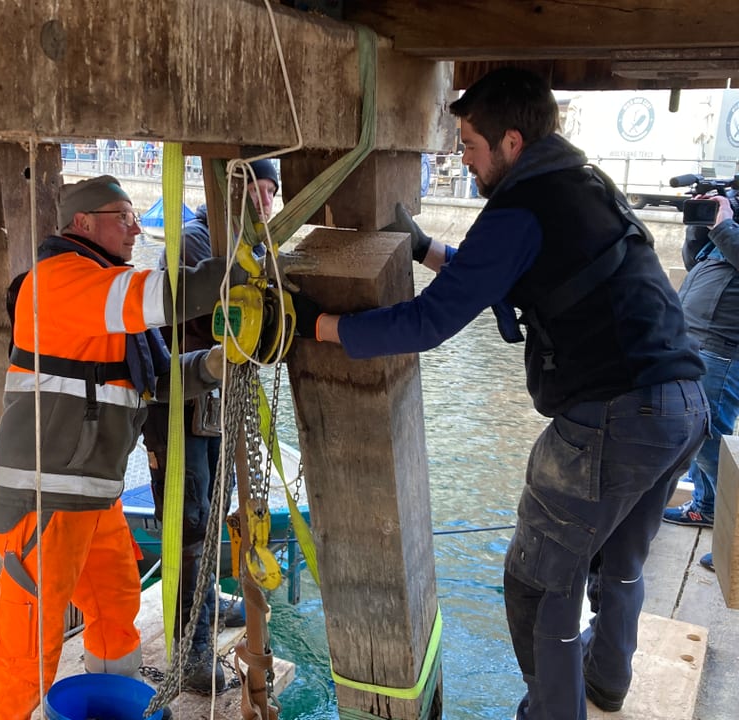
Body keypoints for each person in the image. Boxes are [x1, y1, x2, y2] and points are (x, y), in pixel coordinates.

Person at [292, 67, 709, 719]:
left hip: (614, 417)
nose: (464, 157)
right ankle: (605, 682)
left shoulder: (520, 206)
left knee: (539, 583)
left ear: (511, 143)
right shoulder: (581, 185)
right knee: (619, 562)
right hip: (681, 407)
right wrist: (426, 247)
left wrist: (316, 325)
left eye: (469, 146)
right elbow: (501, 276)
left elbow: (430, 322)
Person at [0, 175, 239, 720]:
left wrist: (212, 365)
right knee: (25, 653)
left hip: (94, 498)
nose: (136, 227)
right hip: (43, 503)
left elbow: (159, 380)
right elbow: (159, 294)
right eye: (123, 216)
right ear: (82, 224)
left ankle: (112, 702)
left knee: (117, 606)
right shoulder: (58, 281)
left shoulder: (111, 299)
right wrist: (236, 275)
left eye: (135, 216)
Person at [140, 158, 280, 693]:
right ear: (234, 191)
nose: (266, 204)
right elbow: (224, 308)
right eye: (259, 191)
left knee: (213, 507)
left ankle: (207, 605)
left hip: (214, 402)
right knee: (189, 523)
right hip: (177, 404)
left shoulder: (249, 249)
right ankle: (192, 650)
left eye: (272, 194)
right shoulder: (195, 242)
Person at [662, 193, 739, 572]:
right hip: (695, 344)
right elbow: (695, 263)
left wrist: (724, 226)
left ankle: (736, 542)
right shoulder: (728, 232)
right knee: (698, 437)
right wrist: (701, 226)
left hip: (723, 352)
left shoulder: (732, 231)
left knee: (712, 443)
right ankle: (706, 508)